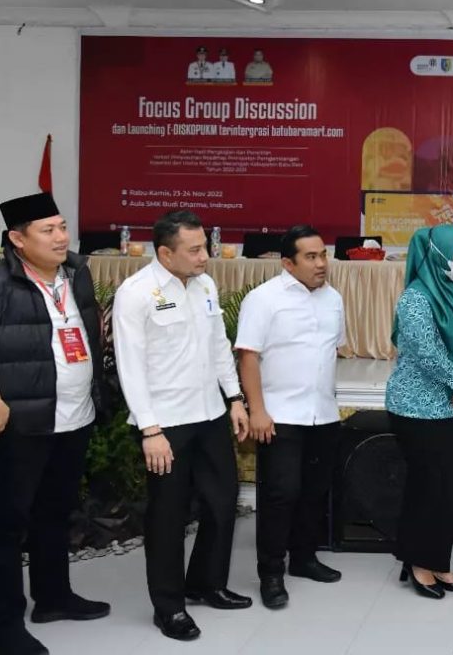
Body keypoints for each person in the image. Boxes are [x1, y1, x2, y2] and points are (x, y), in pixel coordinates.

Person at [112, 211, 251, 641]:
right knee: (168, 516)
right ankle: (169, 606)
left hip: (209, 413)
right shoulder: (136, 294)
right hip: (165, 424)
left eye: (205, 247)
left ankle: (206, 583)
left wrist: (235, 398)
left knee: (222, 501)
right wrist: (150, 431)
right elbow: (129, 367)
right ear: (165, 253)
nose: (204, 256)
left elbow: (218, 348)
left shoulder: (205, 285)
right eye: (194, 250)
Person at [0, 193, 111, 655]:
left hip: (74, 415)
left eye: (63, 226)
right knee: (7, 523)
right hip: (22, 421)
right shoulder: (2, 282)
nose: (61, 237)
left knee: (54, 512)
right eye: (48, 230)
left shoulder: (76, 273)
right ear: (17, 239)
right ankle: (4, 624)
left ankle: (53, 597)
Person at [235, 225, 346, 610]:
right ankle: (271, 573)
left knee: (315, 491)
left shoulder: (333, 298)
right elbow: (248, 355)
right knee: (280, 495)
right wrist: (257, 410)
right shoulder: (263, 299)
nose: (321, 263)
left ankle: (303, 558)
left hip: (323, 413)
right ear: (288, 263)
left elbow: (334, 350)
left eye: (323, 255)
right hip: (279, 416)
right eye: (311, 257)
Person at [385, 224, 453, 599]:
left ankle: (439, 562)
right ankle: (418, 564)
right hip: (416, 408)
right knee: (428, 488)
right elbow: (427, 353)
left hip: (449, 406)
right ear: (437, 257)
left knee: (446, 489)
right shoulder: (416, 299)